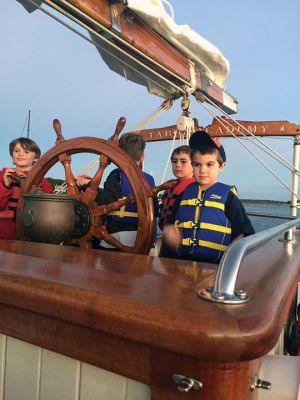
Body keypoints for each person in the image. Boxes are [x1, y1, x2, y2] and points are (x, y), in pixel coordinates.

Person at [162, 130, 254, 263]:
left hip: (214, 268)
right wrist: (169, 234)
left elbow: (244, 232)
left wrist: (230, 259)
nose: (203, 170)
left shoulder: (229, 198)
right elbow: (170, 227)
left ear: (221, 166)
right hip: (181, 265)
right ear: (192, 166)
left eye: (209, 165)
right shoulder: (183, 196)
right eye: (197, 164)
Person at [96, 132, 158, 249]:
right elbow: (154, 211)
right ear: (142, 156)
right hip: (141, 237)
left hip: (116, 235)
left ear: (120, 154)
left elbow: (106, 202)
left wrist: (86, 185)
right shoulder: (150, 180)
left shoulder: (116, 175)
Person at [0, 137, 53, 240]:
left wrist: (34, 188)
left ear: (35, 158)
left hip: (30, 234)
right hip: (3, 233)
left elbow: (48, 208)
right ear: (12, 155)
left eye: (26, 151)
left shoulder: (42, 181)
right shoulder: (2, 175)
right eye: (16, 151)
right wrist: (6, 184)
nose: (20, 154)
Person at [158, 145, 195, 230]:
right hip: (167, 233)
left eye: (183, 162)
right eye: (175, 161)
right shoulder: (169, 186)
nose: (178, 165)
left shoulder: (195, 188)